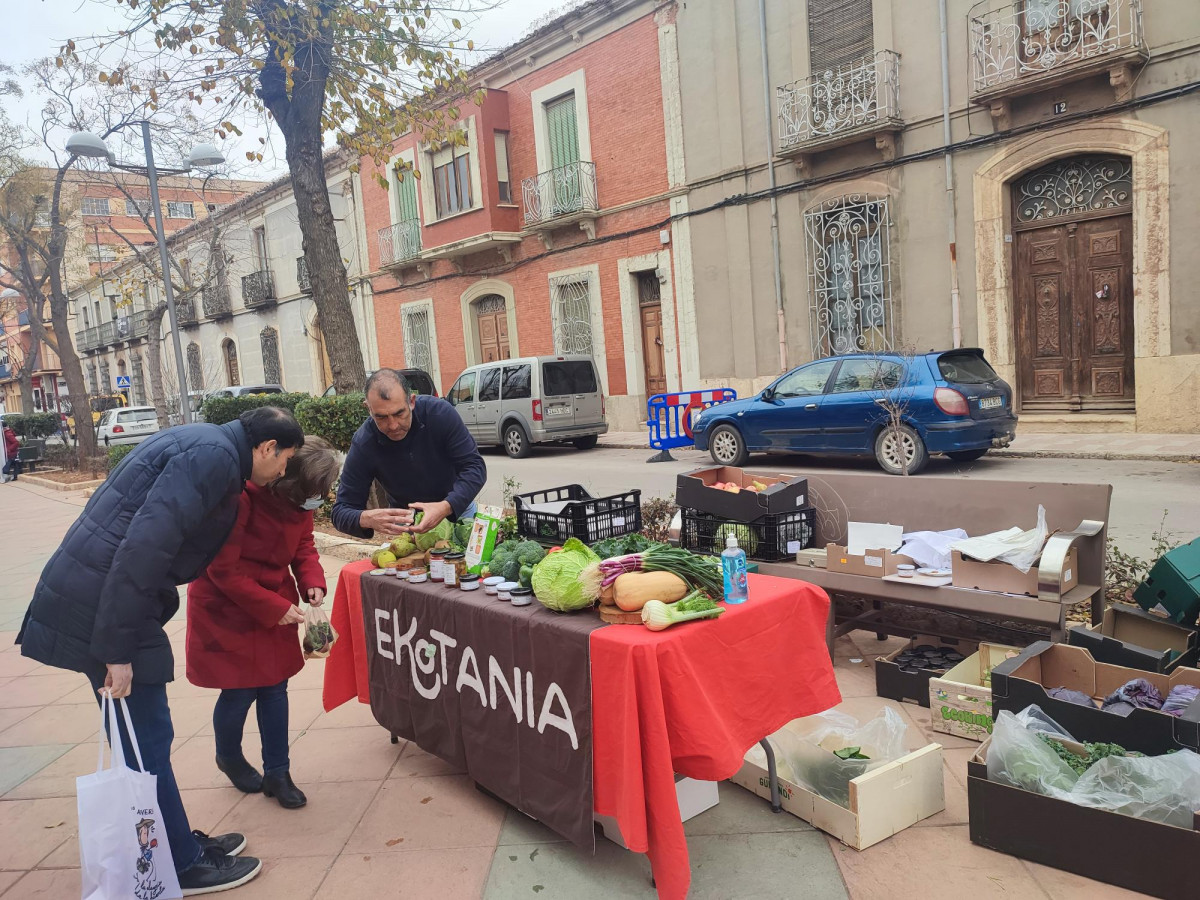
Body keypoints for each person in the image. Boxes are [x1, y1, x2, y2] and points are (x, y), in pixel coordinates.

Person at [17, 405, 306, 895]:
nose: (283, 473)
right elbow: (144, 547)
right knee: (146, 739)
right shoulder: (214, 459)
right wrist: (116, 649)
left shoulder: (207, 443)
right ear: (266, 448)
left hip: (107, 596)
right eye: (283, 462)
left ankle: (174, 842)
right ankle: (177, 863)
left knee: (144, 738)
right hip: (108, 606)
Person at [186, 436, 340, 810]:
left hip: (272, 601)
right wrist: (274, 607)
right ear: (286, 477)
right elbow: (223, 569)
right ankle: (230, 757)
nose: (316, 501)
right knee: (238, 691)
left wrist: (312, 582)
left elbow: (304, 546)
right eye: (313, 493)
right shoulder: (241, 498)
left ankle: (278, 772)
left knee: (274, 688)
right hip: (228, 605)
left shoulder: (299, 503)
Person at [331, 368, 486, 539]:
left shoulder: (439, 414)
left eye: (399, 413)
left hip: (458, 510)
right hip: (407, 525)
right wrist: (366, 518)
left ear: (411, 401)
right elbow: (340, 512)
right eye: (381, 417)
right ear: (368, 408)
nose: (393, 426)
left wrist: (446, 506)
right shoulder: (364, 442)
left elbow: (475, 467)